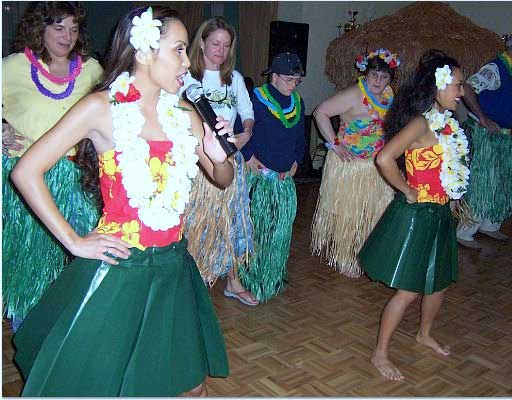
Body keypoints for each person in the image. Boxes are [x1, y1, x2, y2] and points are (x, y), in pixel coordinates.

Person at [10, 6, 233, 396]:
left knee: (192, 386)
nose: (188, 60)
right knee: (106, 384)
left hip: (172, 267)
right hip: (119, 268)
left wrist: (219, 155)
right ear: (145, 52)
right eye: (179, 50)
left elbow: (222, 179)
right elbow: (25, 172)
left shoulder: (184, 112)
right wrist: (74, 241)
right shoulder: (101, 108)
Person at [358, 49, 469, 381]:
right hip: (417, 214)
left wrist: (452, 200)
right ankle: (380, 353)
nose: (462, 93)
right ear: (439, 85)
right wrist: (407, 190)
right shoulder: (421, 123)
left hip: (440, 214)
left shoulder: (449, 124)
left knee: (438, 284)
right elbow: (385, 159)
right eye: (458, 85)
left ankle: (424, 334)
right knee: (408, 290)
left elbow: (450, 171)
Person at [2, 1, 104, 332]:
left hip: (79, 178)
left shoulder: (91, 70)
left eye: (73, 29)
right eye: (59, 27)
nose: (67, 36)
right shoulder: (13, 66)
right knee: (30, 264)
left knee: (82, 260)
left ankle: (71, 336)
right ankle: (29, 336)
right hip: (29, 180)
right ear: (39, 28)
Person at [181, 16, 258, 306]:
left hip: (231, 161)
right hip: (198, 166)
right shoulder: (186, 79)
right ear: (201, 43)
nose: (220, 50)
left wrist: (245, 134)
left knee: (234, 221)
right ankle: (194, 279)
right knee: (197, 223)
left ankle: (233, 282)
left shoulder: (234, 79)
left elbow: (248, 114)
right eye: (215, 43)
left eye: (226, 45)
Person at [311, 48, 396, 278]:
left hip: (375, 166)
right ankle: (345, 257)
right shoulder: (353, 94)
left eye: (384, 76)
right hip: (350, 166)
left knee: (374, 214)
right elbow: (321, 112)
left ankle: (367, 255)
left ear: (390, 78)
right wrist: (335, 144)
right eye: (373, 75)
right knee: (349, 214)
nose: (378, 81)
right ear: (365, 73)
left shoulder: (389, 95)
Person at [456, 30, 512, 249]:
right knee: (483, 182)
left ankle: (489, 225)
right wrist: (481, 117)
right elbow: (468, 88)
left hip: (502, 136)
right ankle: (465, 231)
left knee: (500, 183)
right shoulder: (494, 68)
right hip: (486, 136)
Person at [239, 52, 306, 302]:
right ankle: (251, 277)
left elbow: (300, 134)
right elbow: (239, 128)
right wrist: (247, 155)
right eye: (288, 79)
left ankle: (273, 275)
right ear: (274, 76)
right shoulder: (255, 99)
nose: (293, 85)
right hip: (260, 179)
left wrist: (297, 160)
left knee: (280, 230)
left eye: (296, 81)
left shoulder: (297, 102)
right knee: (257, 229)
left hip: (283, 179)